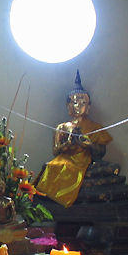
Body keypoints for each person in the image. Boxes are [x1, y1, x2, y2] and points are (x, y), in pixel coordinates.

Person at [35, 71, 112, 208]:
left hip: (85, 158)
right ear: (69, 106)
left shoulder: (96, 127)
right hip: (66, 157)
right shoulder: (63, 127)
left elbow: (101, 152)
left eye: (83, 102)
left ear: (88, 107)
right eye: (75, 102)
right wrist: (68, 143)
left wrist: (88, 144)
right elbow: (55, 151)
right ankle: (51, 202)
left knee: (110, 169)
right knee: (51, 166)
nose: (79, 106)